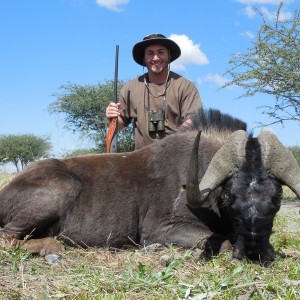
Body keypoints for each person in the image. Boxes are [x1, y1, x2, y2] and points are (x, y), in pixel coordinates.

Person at [106, 33, 203, 150]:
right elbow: (120, 124)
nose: (156, 58)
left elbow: (193, 120)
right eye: (150, 53)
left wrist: (172, 143)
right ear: (144, 58)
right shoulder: (130, 88)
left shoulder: (185, 86)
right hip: (142, 160)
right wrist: (112, 118)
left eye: (161, 52)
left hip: (177, 155)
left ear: (169, 55)